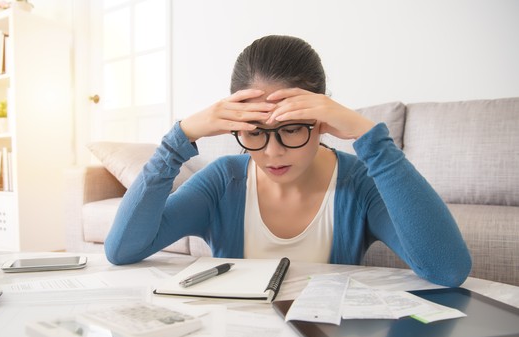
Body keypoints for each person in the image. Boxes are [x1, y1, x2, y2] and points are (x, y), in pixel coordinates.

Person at [105, 35, 472, 287]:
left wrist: (370, 139)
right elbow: (123, 250)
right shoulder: (223, 181)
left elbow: (447, 269)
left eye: (292, 128)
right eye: (254, 131)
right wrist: (177, 141)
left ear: (322, 120)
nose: (272, 152)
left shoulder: (358, 182)